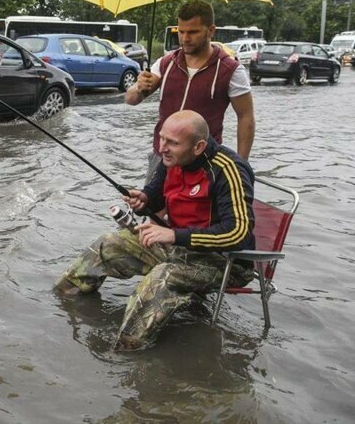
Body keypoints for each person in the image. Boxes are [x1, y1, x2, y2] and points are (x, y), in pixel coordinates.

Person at [54, 110, 255, 350]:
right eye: (162, 138)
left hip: (223, 261)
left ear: (198, 146)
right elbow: (156, 196)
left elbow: (238, 233)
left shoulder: (229, 169)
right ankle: (60, 306)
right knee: (107, 244)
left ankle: (129, 349)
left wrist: (173, 235)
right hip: (177, 246)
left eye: (172, 143)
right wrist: (145, 199)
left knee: (162, 278)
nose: (163, 148)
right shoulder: (170, 160)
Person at [125, 0, 255, 182]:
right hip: (162, 157)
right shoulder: (166, 63)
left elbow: (246, 117)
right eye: (181, 31)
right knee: (149, 208)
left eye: (193, 32)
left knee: (198, 211)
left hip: (205, 162)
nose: (185, 38)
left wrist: (241, 165)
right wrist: (138, 87)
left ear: (211, 30)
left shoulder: (230, 69)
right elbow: (131, 100)